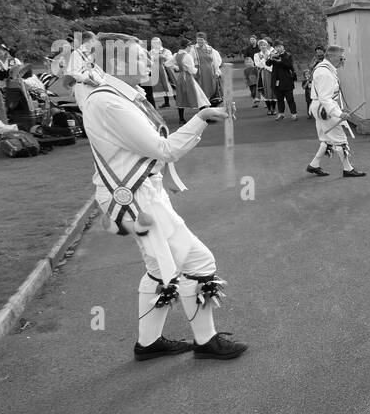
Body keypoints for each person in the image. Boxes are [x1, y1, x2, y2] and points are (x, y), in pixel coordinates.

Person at [66, 31, 247, 362]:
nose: (148, 60)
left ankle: (149, 345)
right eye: (139, 56)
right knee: (194, 263)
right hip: (134, 200)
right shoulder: (108, 101)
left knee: (164, 268)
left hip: (141, 194)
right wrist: (202, 117)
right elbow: (163, 149)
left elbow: (151, 150)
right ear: (118, 62)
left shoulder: (122, 95)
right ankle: (203, 342)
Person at [306, 44, 366, 179]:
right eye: (341, 57)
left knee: (326, 138)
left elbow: (328, 96)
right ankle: (347, 169)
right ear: (331, 56)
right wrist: (339, 114)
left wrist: (339, 108)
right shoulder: (325, 72)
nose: (343, 60)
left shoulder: (326, 69)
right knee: (340, 139)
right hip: (324, 109)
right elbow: (325, 98)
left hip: (321, 107)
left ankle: (314, 165)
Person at [171, 41, 209, 127]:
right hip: (187, 77)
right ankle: (205, 117)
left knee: (181, 97)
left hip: (181, 77)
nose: (191, 48)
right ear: (187, 46)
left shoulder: (176, 55)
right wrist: (196, 70)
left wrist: (178, 68)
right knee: (199, 96)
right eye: (190, 46)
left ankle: (181, 119)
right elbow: (191, 70)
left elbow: (167, 64)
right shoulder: (187, 56)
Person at [268, 41, 298, 121]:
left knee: (290, 98)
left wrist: (280, 61)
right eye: (276, 47)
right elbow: (267, 64)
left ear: (283, 47)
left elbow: (289, 65)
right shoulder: (273, 54)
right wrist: (271, 57)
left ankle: (294, 113)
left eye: (280, 46)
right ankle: (281, 113)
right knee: (279, 98)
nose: (278, 48)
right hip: (276, 81)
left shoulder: (287, 55)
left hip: (287, 80)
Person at [191, 32, 224, 106]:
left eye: (201, 39)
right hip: (199, 71)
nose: (200, 41)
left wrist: (217, 71)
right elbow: (190, 61)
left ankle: (212, 103)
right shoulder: (193, 49)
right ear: (196, 39)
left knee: (212, 86)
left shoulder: (210, 48)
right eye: (198, 39)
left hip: (210, 71)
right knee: (201, 88)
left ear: (205, 40)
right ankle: (203, 105)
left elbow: (215, 61)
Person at [147, 37, 176, 110]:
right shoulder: (150, 52)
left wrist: (163, 60)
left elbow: (170, 60)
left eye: (156, 42)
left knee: (170, 86)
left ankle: (178, 102)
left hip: (165, 70)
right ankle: (166, 102)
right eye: (153, 43)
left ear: (160, 43)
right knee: (161, 86)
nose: (155, 44)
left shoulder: (166, 51)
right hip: (155, 71)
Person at [255, 38, 276, 115]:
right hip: (263, 73)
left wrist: (267, 66)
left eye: (264, 45)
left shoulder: (272, 53)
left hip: (272, 73)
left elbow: (274, 63)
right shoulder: (257, 55)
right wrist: (267, 66)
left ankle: (273, 109)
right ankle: (269, 109)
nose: (263, 46)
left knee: (273, 90)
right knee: (266, 90)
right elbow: (258, 64)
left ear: (267, 46)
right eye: (261, 45)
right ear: (259, 47)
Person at [241, 35, 261, 106]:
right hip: (250, 66)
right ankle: (255, 100)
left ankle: (263, 98)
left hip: (259, 66)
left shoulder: (259, 47)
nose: (252, 40)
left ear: (256, 40)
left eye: (253, 39)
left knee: (259, 84)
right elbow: (245, 57)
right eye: (251, 39)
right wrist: (248, 62)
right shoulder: (248, 48)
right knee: (253, 88)